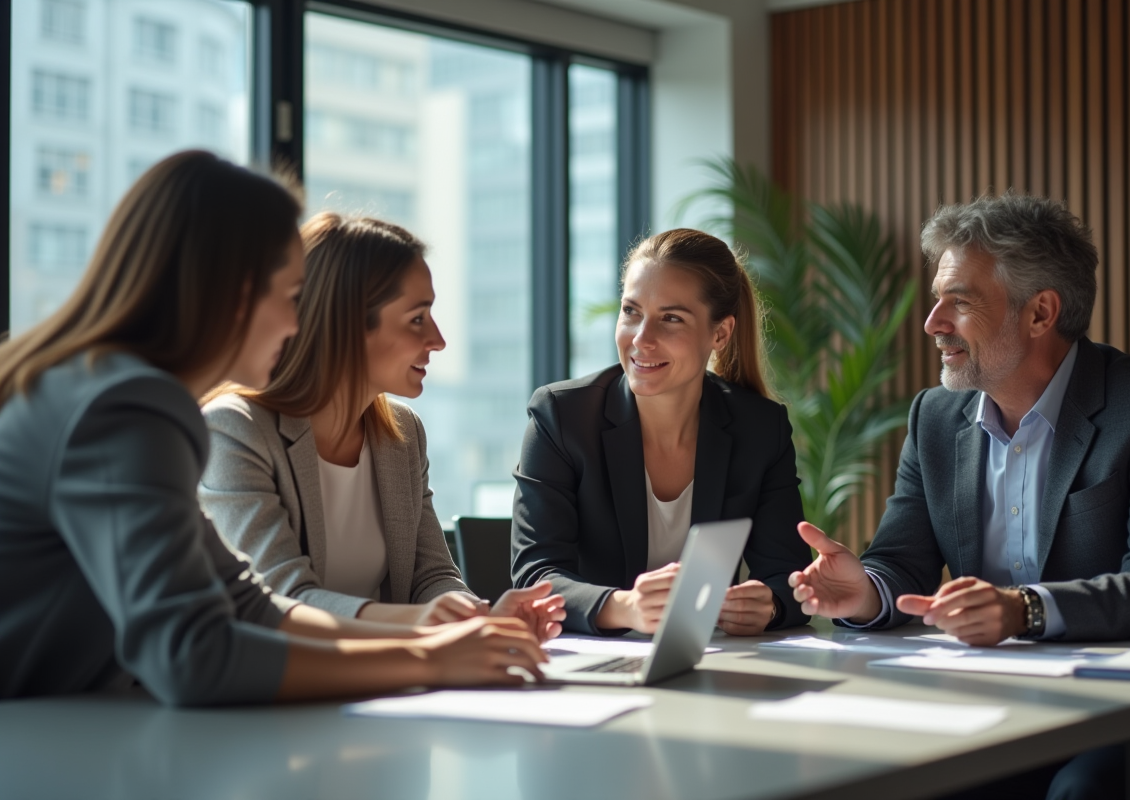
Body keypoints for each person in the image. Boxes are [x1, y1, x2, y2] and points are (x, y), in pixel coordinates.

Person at [0, 151, 546, 706]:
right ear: (231, 293)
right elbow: (194, 655)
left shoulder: (109, 392)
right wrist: (430, 660)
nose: (296, 324)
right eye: (290, 298)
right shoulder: (126, 408)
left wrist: (443, 643)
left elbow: (250, 607)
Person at [788, 193, 1130, 799]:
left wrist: (1023, 609)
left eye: (959, 302)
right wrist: (865, 591)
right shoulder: (934, 416)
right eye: (937, 300)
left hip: (1110, 703)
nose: (932, 323)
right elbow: (902, 561)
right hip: (975, 696)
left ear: (1040, 313)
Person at [199, 213, 564, 640]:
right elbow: (280, 599)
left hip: (391, 670)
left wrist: (479, 617)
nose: (439, 340)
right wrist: (423, 624)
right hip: (291, 676)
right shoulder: (235, 431)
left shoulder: (403, 434)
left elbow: (432, 577)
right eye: (417, 319)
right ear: (346, 324)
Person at [512, 228, 813, 636]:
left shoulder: (760, 428)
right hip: (591, 658)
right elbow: (535, 576)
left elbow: (788, 576)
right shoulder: (561, 417)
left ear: (720, 334)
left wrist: (769, 605)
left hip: (711, 656)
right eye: (631, 311)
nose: (642, 339)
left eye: (671, 318)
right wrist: (625, 608)